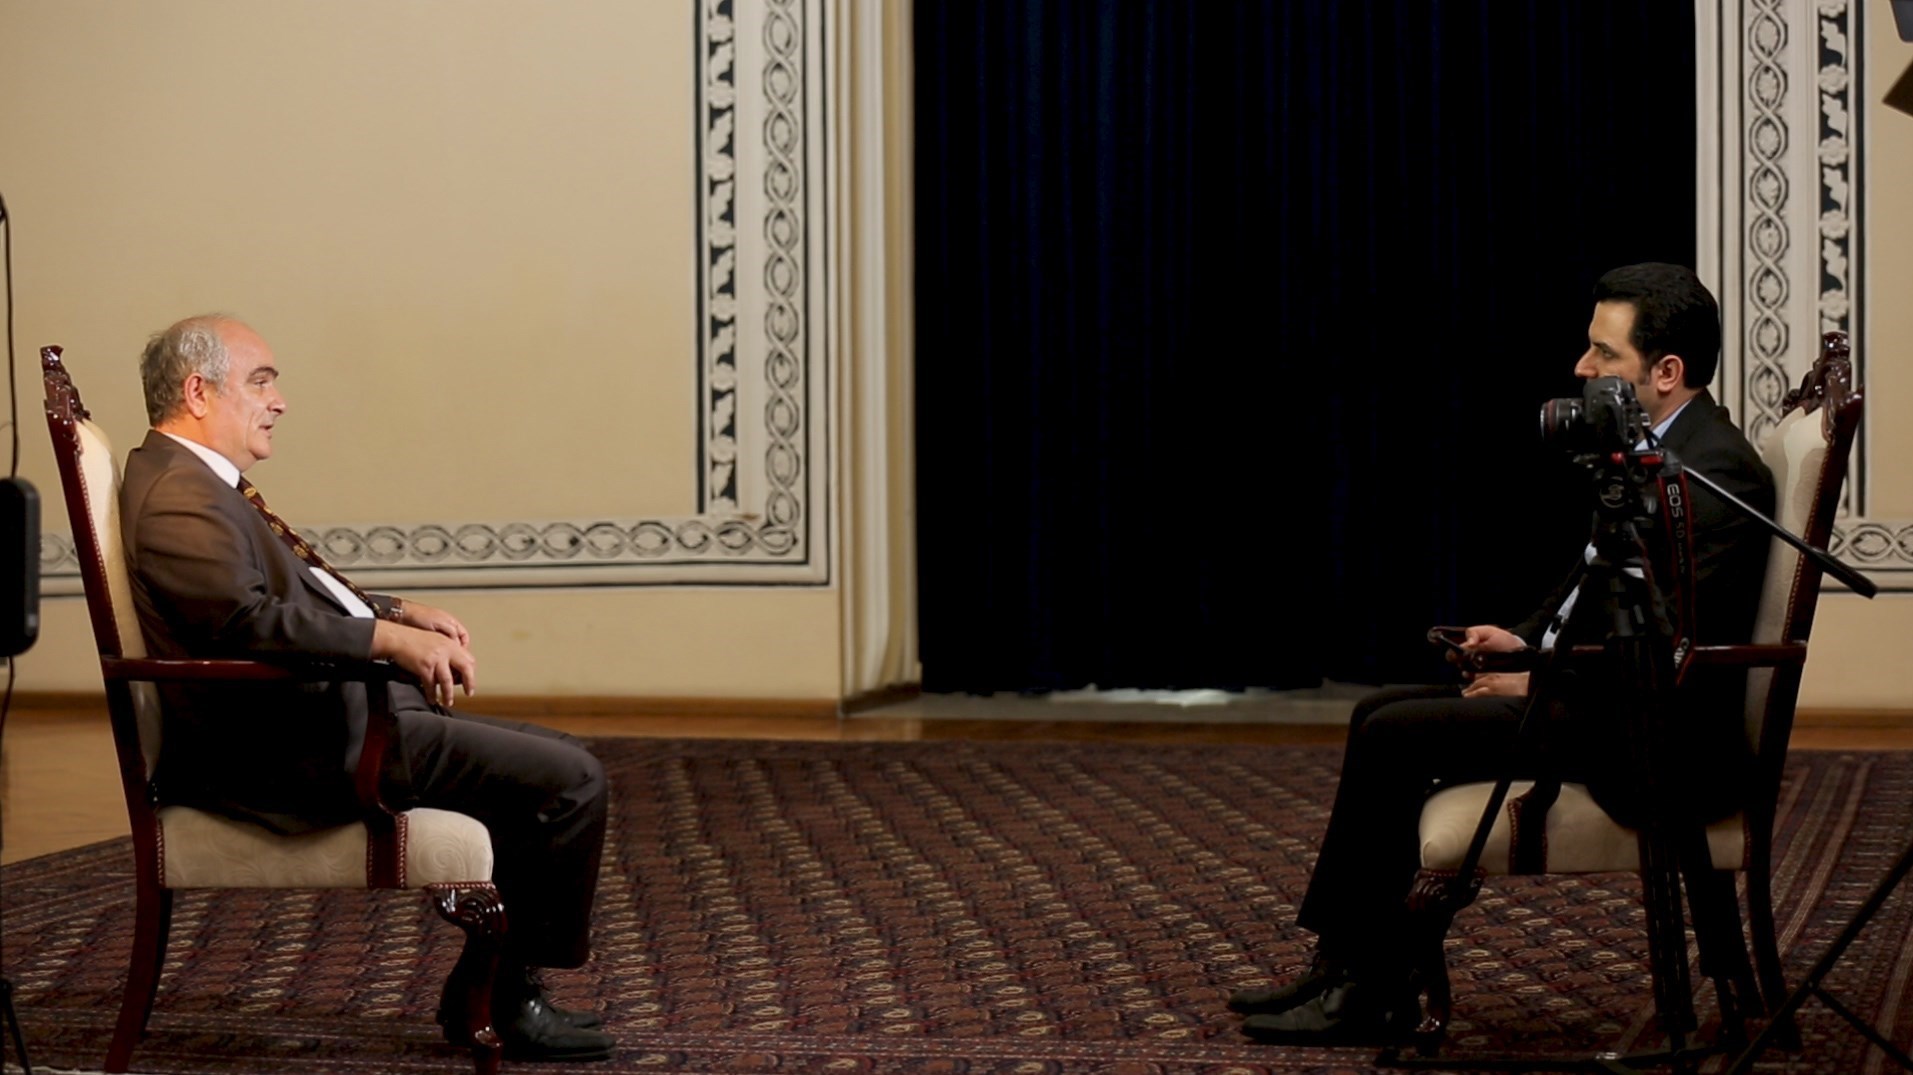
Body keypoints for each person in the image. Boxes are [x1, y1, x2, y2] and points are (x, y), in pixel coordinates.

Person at [1230, 264, 1777, 1045]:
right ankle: (1343, 964)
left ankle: (1365, 986)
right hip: (1610, 697)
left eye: (1603, 353)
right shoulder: (1657, 446)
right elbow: (1594, 579)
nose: (1581, 367)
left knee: (1391, 733)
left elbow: (1667, 643)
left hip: (1653, 735)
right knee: (1378, 709)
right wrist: (1523, 640)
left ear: (1665, 371)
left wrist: (1536, 681)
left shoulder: (1712, 471)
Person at [121, 315, 617, 1063]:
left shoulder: (193, 480)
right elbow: (246, 622)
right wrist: (390, 640)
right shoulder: (179, 495)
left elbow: (292, 595)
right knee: (570, 780)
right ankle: (505, 996)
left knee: (557, 759)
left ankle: (494, 987)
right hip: (288, 749)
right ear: (197, 391)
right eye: (261, 381)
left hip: (317, 718)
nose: (279, 400)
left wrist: (395, 610)